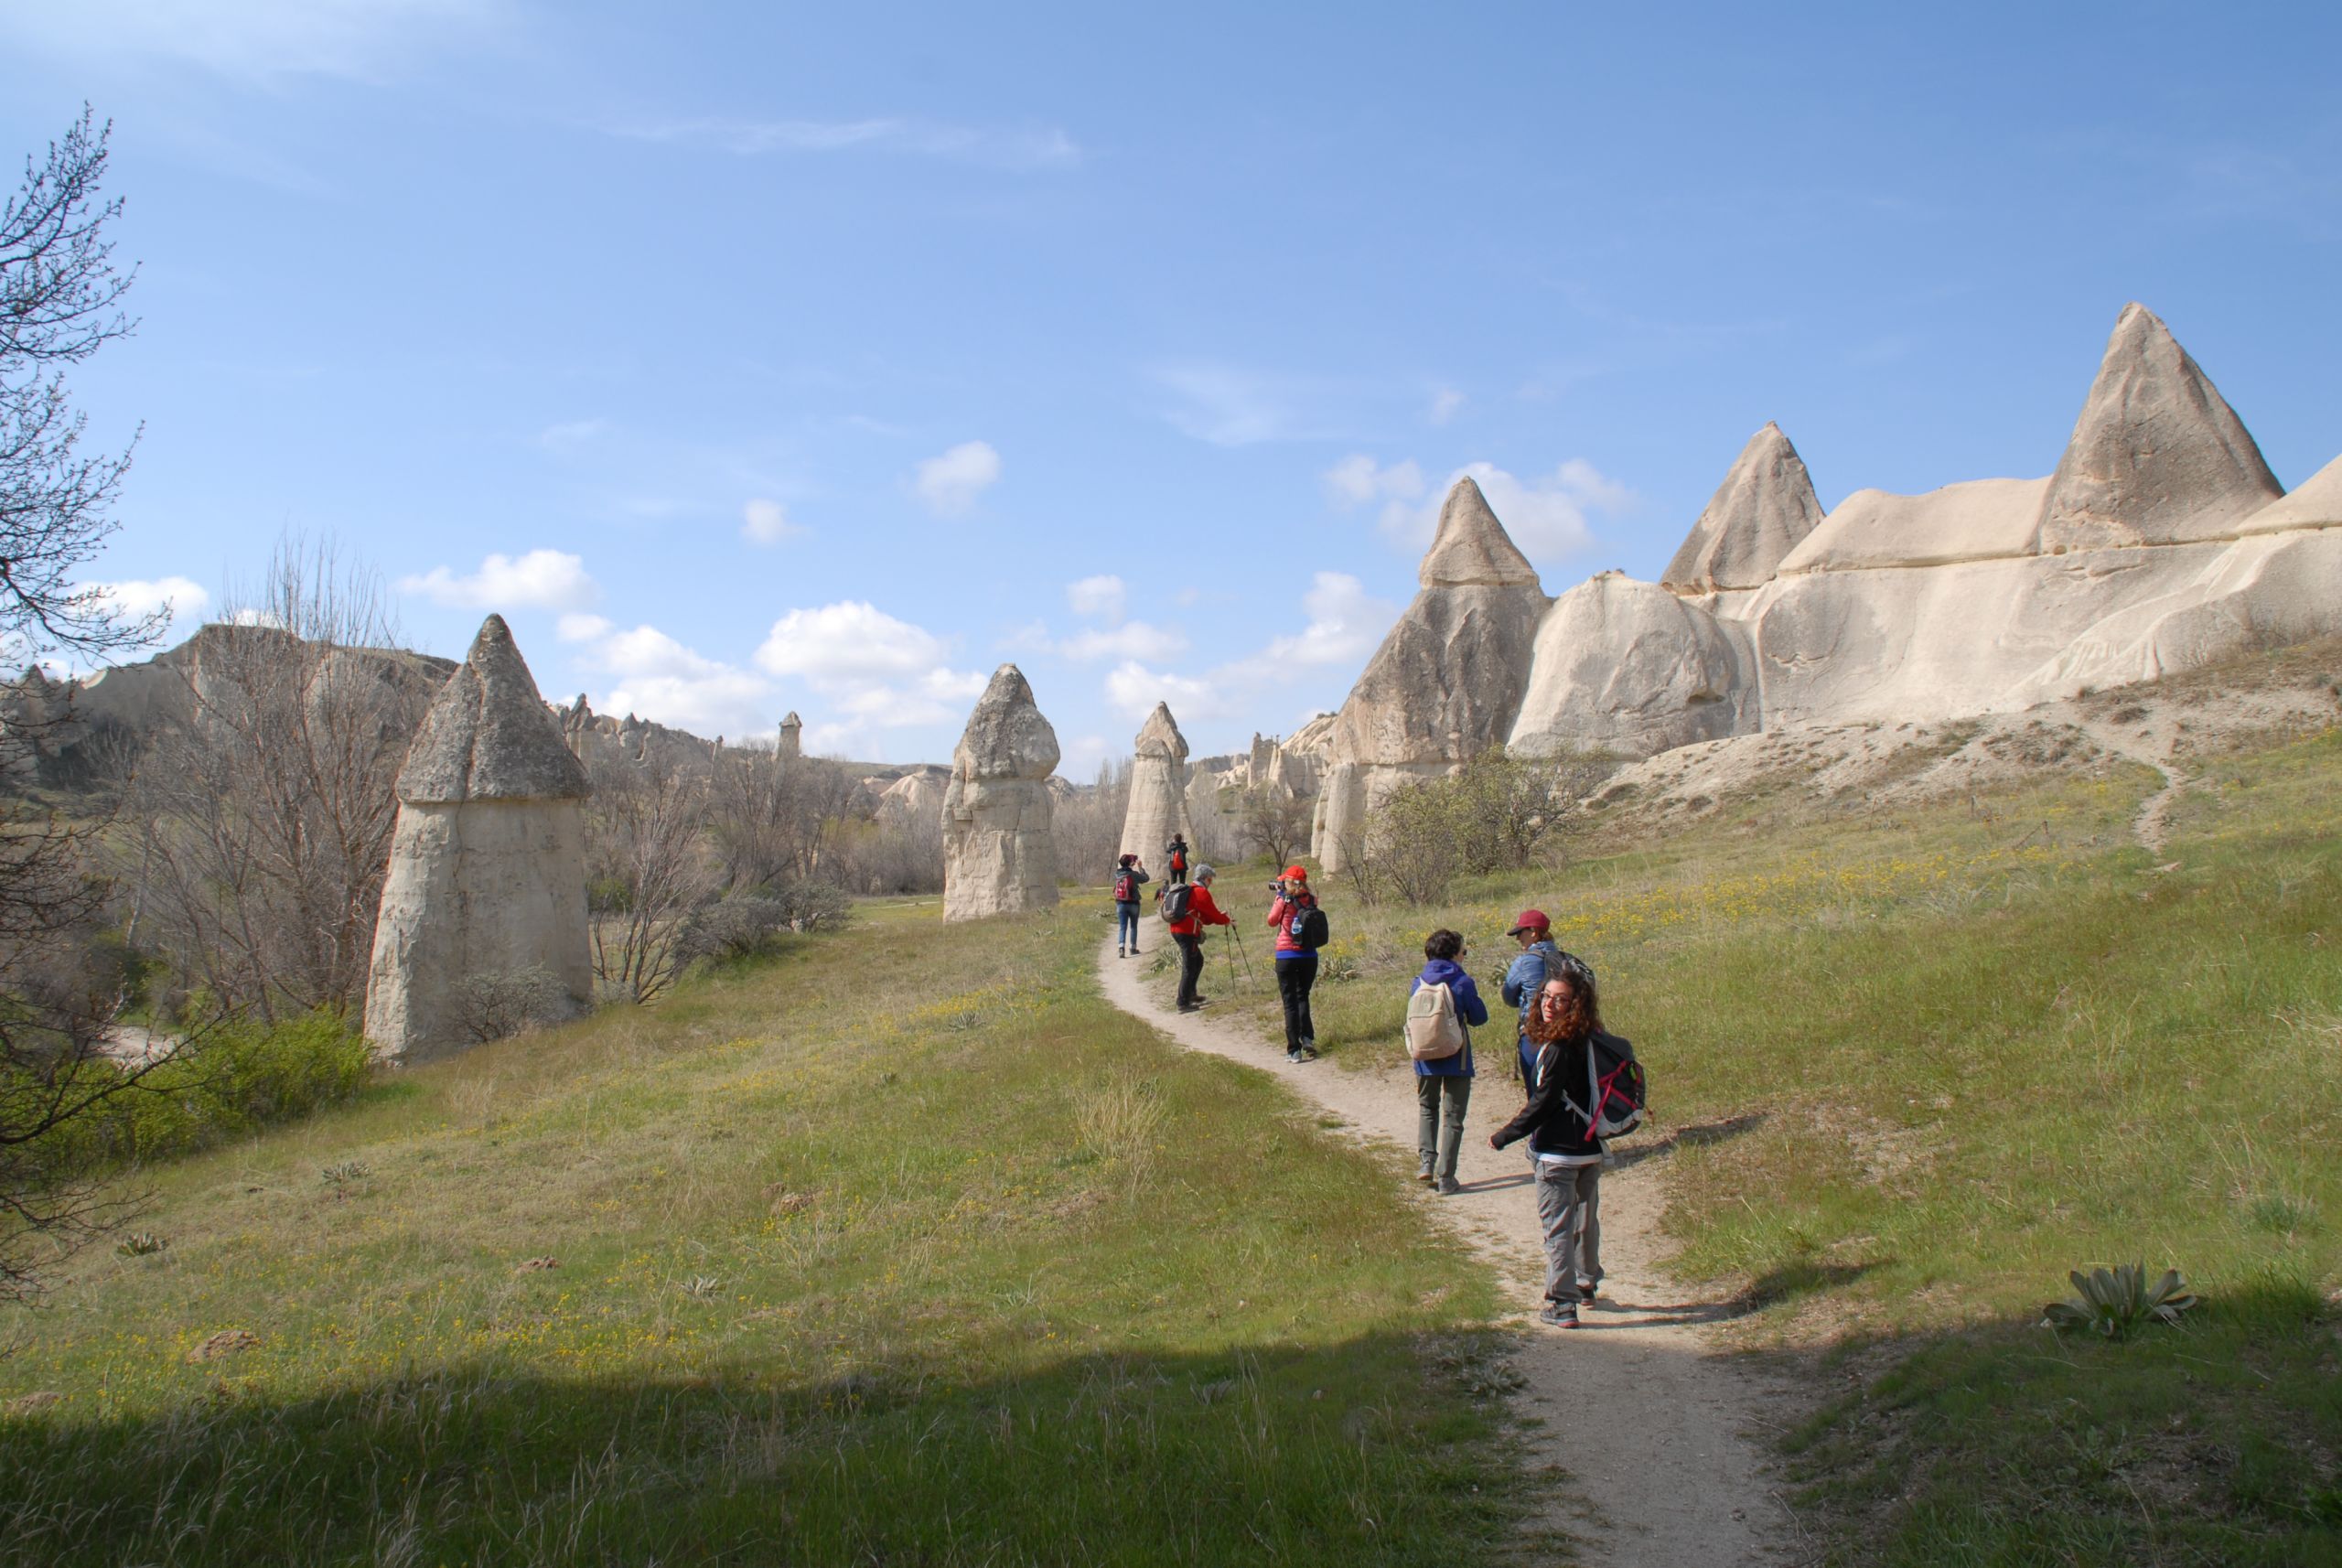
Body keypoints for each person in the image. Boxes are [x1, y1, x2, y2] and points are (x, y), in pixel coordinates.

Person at [1490, 959, 1612, 1328]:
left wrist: (1505, 1135)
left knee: (1558, 1228)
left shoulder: (1555, 1048)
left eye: (1559, 1000)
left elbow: (1542, 1103)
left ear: (1575, 1004)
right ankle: (1586, 1283)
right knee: (1585, 1221)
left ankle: (1562, 1303)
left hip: (1556, 1152)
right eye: (1545, 996)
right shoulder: (1593, 1040)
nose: (1548, 1004)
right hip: (1590, 1147)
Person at [1409, 929, 1488, 1194]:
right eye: (1463, 951)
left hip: (1424, 1058)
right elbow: (1479, 1018)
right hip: (1457, 1057)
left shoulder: (1417, 982)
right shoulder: (1462, 982)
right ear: (1454, 954)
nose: (1464, 955)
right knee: (1453, 1117)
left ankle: (1426, 1163)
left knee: (1427, 1108)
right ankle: (1446, 1178)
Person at [1499, 909, 1572, 1087]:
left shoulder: (1524, 962)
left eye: (1520, 933)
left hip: (1534, 1032)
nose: (1518, 939)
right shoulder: (1565, 959)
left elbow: (1508, 996)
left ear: (1533, 932)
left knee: (1536, 1092)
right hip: (1565, 1031)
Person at [1266, 865, 1321, 1062]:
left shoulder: (1283, 899)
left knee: (1289, 1003)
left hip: (1287, 955)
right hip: (1309, 955)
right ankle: (1307, 1037)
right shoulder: (1312, 899)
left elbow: (1272, 921)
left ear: (1287, 882)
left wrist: (1280, 897)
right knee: (1302, 996)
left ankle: (1294, 1051)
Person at [1167, 864, 1231, 1012]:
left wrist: (1221, 918)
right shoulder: (1200, 892)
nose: (1211, 883)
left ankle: (1191, 994)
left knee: (1198, 960)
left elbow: (1206, 917)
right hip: (1187, 932)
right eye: (1210, 879)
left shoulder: (1191, 890)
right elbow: (1213, 914)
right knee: (1189, 966)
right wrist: (1226, 920)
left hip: (1179, 930)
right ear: (1204, 878)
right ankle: (1182, 1002)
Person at [1112, 854, 1150, 958]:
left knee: (1122, 927)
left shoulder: (1117, 874)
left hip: (1121, 903)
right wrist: (1140, 867)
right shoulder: (1134, 874)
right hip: (1133, 903)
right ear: (1130, 863)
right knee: (1133, 926)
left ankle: (1121, 948)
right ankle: (1133, 948)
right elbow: (1146, 878)